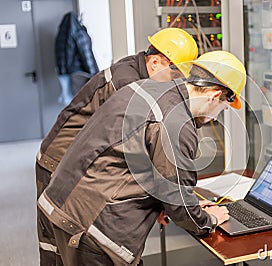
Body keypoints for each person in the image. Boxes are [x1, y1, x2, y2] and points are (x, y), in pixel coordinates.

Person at [37, 50, 247, 265]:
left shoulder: (144, 87)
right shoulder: (177, 123)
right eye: (223, 108)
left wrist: (166, 204)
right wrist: (209, 220)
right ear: (214, 96)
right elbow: (178, 201)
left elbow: (134, 159)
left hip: (60, 202)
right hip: (92, 227)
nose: (216, 116)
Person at [55, 11, 99, 104]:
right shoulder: (79, 33)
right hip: (78, 74)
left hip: (64, 73)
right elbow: (86, 54)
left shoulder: (62, 33)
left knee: (69, 102)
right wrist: (95, 75)